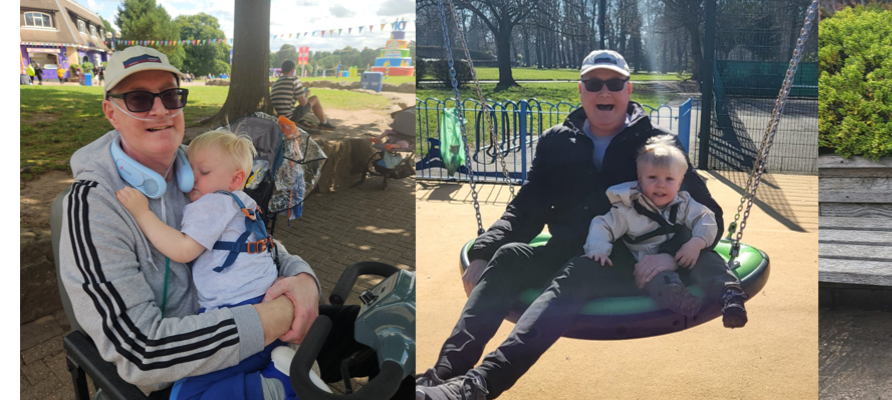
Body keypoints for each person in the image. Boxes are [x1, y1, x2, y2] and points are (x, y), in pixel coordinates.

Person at [57, 46, 401, 398]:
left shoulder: (199, 166)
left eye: (171, 95)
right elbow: (141, 351)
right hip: (188, 366)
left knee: (395, 330)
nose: (160, 109)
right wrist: (281, 314)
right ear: (111, 113)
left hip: (256, 319)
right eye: (139, 99)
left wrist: (302, 278)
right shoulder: (93, 205)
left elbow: (248, 235)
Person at [416, 50, 732, 400]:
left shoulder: (658, 146)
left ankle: (479, 386)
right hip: (564, 249)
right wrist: (484, 250)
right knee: (507, 256)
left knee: (579, 271)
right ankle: (443, 375)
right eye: (594, 84)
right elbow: (529, 205)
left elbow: (707, 212)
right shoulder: (556, 140)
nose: (604, 92)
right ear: (580, 91)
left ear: (629, 91)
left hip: (627, 261)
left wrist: (671, 256)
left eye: (614, 84)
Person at [115, 128, 332, 399]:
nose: (191, 179)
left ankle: (282, 384)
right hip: (264, 299)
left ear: (236, 178)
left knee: (187, 395)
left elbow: (182, 250)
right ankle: (282, 375)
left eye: (203, 172)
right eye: (189, 170)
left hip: (238, 309)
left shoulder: (211, 203)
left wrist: (142, 213)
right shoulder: (244, 201)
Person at [584, 135, 747, 324]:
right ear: (640, 179)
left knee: (709, 259)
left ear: (680, 182)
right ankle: (681, 301)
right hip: (652, 267)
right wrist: (598, 250)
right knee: (660, 280)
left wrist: (697, 242)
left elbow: (706, 219)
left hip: (686, 256)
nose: (660, 184)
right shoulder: (627, 209)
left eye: (669, 179)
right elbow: (602, 225)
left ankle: (730, 295)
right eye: (652, 178)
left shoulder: (684, 203)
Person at [271, 59, 335, 131]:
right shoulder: (294, 80)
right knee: (315, 98)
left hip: (278, 117)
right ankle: (324, 123)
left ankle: (302, 122)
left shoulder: (276, 82)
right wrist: (307, 95)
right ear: (292, 69)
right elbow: (303, 103)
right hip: (289, 118)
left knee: (294, 109)